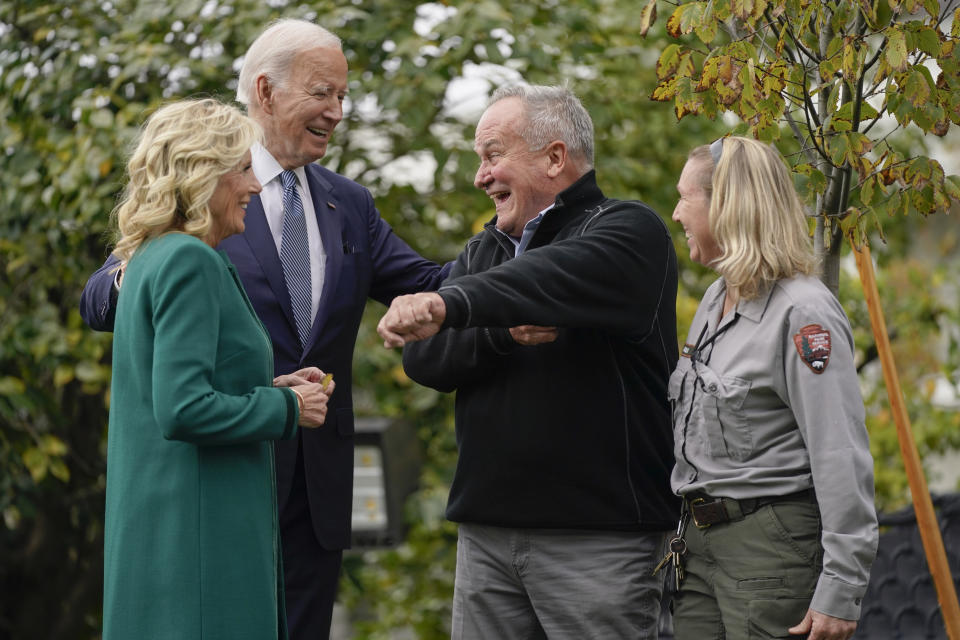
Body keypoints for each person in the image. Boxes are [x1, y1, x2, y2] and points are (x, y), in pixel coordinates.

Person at [80, 19, 449, 639]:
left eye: (343, 96)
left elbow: (431, 281)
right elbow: (99, 301)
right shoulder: (195, 217)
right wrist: (155, 267)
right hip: (214, 482)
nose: (337, 111)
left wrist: (520, 270)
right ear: (267, 91)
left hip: (316, 490)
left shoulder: (349, 203)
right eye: (322, 93)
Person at [377, 85, 680, 639]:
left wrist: (452, 304)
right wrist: (502, 336)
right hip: (486, 539)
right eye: (479, 160)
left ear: (555, 157)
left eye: (493, 155)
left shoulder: (629, 232)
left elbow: (546, 277)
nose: (480, 175)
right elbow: (425, 360)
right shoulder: (483, 250)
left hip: (599, 543)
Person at [102, 98, 334, 640]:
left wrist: (270, 387)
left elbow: (185, 386)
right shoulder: (190, 260)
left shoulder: (151, 257)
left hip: (167, 532)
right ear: (205, 175)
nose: (255, 185)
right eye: (244, 169)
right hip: (199, 542)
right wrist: (287, 407)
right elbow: (182, 410)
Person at [667, 136, 878, 640]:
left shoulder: (803, 312)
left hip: (771, 548)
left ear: (727, 204)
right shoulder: (715, 299)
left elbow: (839, 451)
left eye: (684, 197)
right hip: (699, 544)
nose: (675, 213)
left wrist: (841, 586)